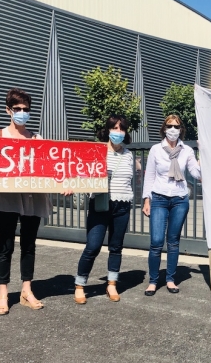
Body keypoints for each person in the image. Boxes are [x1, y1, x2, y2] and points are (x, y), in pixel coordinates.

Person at [0, 88, 67, 315]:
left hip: (32, 197)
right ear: (8, 110)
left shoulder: (37, 139)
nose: (21, 113)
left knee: (29, 245)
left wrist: (63, 183)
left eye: (26, 110)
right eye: (17, 109)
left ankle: (27, 290)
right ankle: (3, 293)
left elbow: (53, 166)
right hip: (6, 198)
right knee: (5, 245)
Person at [74, 115, 138, 304]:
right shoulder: (98, 150)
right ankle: (79, 284)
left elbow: (129, 179)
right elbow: (84, 174)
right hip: (100, 203)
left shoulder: (128, 154)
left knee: (116, 247)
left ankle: (112, 284)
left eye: (121, 128)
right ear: (107, 130)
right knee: (92, 246)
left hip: (122, 205)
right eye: (114, 128)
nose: (118, 132)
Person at [142, 114, 201, 296]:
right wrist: (146, 199)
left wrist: (203, 156)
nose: (173, 130)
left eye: (176, 126)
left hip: (180, 199)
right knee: (156, 242)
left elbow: (196, 174)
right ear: (164, 128)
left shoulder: (187, 151)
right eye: (170, 126)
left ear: (181, 129)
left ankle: (170, 279)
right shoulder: (156, 150)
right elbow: (150, 175)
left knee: (173, 242)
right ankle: (153, 281)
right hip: (159, 198)